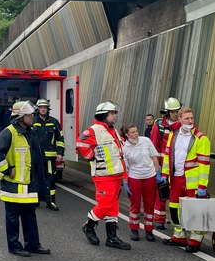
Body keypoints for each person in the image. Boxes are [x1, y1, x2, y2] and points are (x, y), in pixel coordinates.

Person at [0, 100, 51, 257]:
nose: (33, 117)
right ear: (20, 117)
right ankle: (14, 246)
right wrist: (7, 170)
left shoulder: (31, 132)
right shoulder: (9, 132)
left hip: (29, 184)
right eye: (30, 115)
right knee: (13, 217)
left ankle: (33, 244)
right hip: (13, 186)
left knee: (30, 215)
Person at [77, 101, 131, 250]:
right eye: (112, 114)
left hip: (115, 174)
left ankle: (112, 238)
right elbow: (81, 143)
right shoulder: (95, 130)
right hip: (103, 174)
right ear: (104, 115)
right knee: (105, 203)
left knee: (113, 205)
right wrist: (90, 157)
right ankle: (89, 225)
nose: (115, 116)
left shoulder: (112, 130)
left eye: (114, 114)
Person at [160, 107, 210, 253]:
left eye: (192, 118)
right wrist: (164, 174)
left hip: (192, 182)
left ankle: (195, 240)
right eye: (187, 118)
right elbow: (167, 156)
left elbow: (204, 164)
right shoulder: (173, 135)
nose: (190, 121)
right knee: (174, 208)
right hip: (175, 178)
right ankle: (179, 235)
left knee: (194, 211)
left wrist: (202, 186)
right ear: (180, 119)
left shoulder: (201, 138)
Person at [121, 124, 160, 242]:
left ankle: (149, 230)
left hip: (149, 176)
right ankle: (134, 229)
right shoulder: (125, 148)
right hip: (134, 177)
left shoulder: (146, 141)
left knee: (149, 203)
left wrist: (157, 172)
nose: (136, 134)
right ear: (127, 135)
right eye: (133, 132)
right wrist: (125, 183)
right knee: (135, 204)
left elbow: (154, 157)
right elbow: (125, 167)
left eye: (136, 131)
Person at [150, 97, 183, 230]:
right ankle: (159, 219)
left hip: (179, 165)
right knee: (162, 192)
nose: (176, 114)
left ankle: (179, 220)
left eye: (177, 111)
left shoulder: (183, 124)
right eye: (173, 111)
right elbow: (154, 147)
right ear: (167, 112)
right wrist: (156, 168)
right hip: (163, 164)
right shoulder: (159, 125)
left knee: (178, 192)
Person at [33, 98, 65, 211]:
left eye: (45, 107)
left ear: (47, 109)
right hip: (36, 156)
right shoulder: (32, 121)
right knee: (35, 178)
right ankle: (35, 200)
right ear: (38, 109)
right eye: (41, 107)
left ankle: (51, 201)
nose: (43, 109)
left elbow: (60, 138)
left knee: (50, 179)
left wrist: (60, 152)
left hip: (50, 156)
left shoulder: (54, 122)